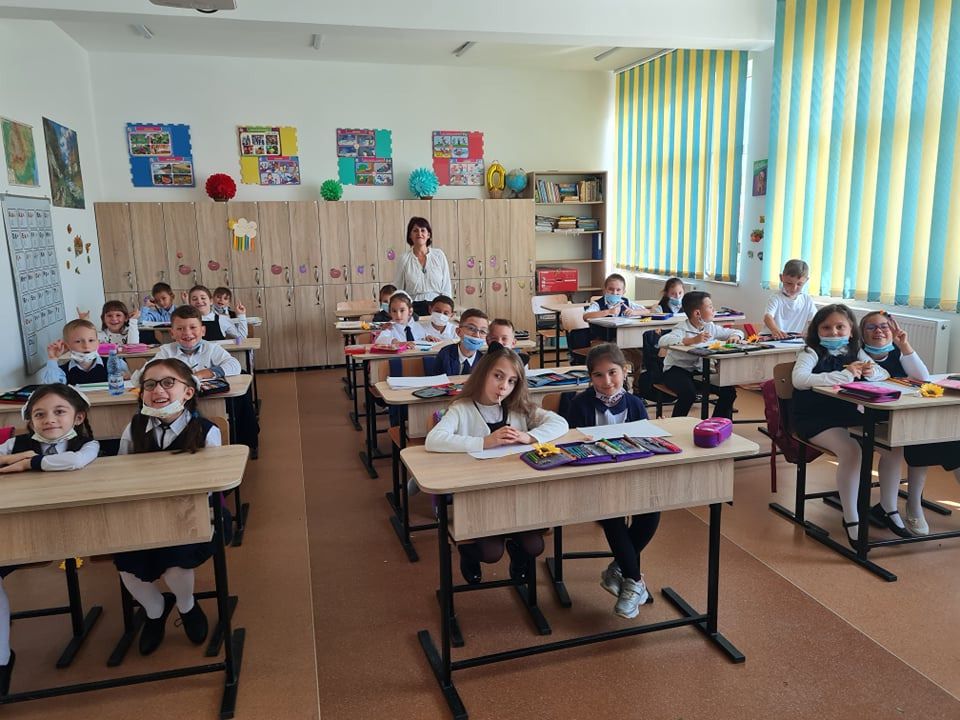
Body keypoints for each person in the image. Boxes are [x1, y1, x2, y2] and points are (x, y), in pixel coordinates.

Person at [425, 343, 569, 584]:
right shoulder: (462, 408)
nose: (504, 386)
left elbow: (560, 423)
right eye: (498, 376)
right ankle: (468, 554)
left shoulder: (518, 408)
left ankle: (517, 553)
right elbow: (434, 439)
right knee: (491, 553)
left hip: (516, 493)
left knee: (535, 546)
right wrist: (483, 442)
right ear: (483, 374)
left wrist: (530, 437)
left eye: (512, 381)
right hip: (479, 495)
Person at [113, 359, 225, 656]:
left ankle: (187, 606)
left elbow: (212, 484)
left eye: (168, 383)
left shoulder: (205, 430)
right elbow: (121, 471)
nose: (158, 390)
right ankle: (155, 610)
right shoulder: (134, 427)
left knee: (175, 562)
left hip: (194, 512)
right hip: (143, 511)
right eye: (149, 385)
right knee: (126, 564)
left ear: (188, 392)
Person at [0, 384, 99, 693]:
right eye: (39, 414)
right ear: (30, 420)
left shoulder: (87, 444)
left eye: (59, 412)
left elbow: (74, 462)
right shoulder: (16, 443)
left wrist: (28, 463)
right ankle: (2, 659)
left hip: (78, 528)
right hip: (23, 531)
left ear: (78, 417)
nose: (49, 420)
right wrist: (17, 456)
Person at [792, 304, 906, 545]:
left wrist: (869, 371)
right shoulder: (810, 352)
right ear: (817, 331)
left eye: (840, 327)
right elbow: (799, 379)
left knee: (894, 446)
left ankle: (888, 507)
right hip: (814, 417)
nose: (833, 332)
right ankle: (852, 517)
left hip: (848, 416)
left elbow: (883, 374)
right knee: (852, 451)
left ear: (851, 330)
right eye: (826, 327)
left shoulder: (855, 350)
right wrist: (845, 375)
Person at [563, 344, 659, 619]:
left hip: (631, 474)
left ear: (625, 371)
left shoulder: (635, 404)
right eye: (598, 375)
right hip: (594, 479)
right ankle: (634, 582)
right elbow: (569, 444)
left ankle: (619, 569)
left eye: (612, 373)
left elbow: (645, 441)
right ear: (590, 377)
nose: (606, 382)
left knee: (652, 512)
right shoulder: (579, 404)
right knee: (612, 514)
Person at [860, 311, 959, 535]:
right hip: (875, 419)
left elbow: (923, 378)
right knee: (913, 439)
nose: (879, 331)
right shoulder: (858, 355)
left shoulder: (897, 351)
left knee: (950, 440)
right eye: (871, 327)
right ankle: (908, 506)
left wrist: (904, 345)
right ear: (862, 334)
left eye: (884, 326)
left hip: (907, 416)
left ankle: (913, 503)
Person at [130, 306, 258, 456]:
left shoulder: (211, 348)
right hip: (176, 405)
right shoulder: (167, 351)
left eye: (193, 327)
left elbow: (234, 365)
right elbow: (139, 378)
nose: (187, 333)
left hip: (209, 400)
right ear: (172, 333)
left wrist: (202, 374)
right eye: (180, 329)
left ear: (202, 330)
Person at [657, 291, 744, 418]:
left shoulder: (710, 327)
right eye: (710, 307)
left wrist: (736, 336)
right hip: (676, 371)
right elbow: (663, 341)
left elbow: (736, 331)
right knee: (688, 394)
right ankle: (676, 423)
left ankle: (715, 424)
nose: (713, 309)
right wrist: (691, 340)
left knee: (728, 392)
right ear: (697, 313)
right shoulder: (681, 328)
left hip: (700, 372)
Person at [394, 217, 453, 317]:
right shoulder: (404, 259)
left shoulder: (439, 255)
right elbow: (398, 289)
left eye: (423, 230)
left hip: (437, 307)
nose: (419, 233)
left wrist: (447, 308)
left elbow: (446, 286)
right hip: (413, 309)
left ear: (428, 235)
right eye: (415, 230)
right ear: (410, 235)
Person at [41, 319, 129, 385]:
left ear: (98, 343)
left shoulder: (116, 363)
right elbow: (53, 387)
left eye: (91, 340)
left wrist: (127, 377)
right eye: (78, 341)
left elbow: (129, 383)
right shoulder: (62, 371)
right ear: (67, 346)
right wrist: (53, 359)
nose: (86, 346)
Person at [763, 259, 816, 338]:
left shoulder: (807, 300)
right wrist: (775, 330)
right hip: (771, 337)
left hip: (793, 339)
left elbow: (814, 321)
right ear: (781, 278)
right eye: (789, 283)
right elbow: (767, 317)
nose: (794, 288)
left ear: (806, 280)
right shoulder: (776, 298)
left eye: (799, 284)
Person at [433, 309, 488, 376]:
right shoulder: (445, 354)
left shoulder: (484, 361)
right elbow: (436, 380)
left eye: (482, 331)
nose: (477, 335)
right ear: (458, 332)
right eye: (471, 328)